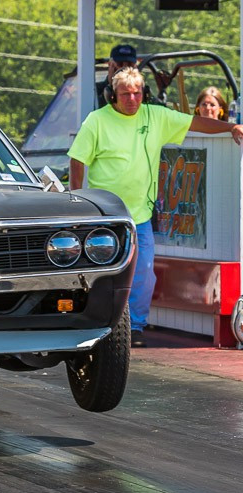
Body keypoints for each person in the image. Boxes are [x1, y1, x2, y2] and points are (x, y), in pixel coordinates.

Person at [68, 67, 243, 347]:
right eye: (125, 94)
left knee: (144, 274)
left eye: (137, 93)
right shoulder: (97, 121)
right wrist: (77, 202)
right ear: (112, 95)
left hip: (140, 215)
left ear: (145, 94)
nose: (132, 99)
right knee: (103, 274)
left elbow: (194, 123)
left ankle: (135, 328)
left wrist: (230, 127)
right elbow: (77, 159)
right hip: (106, 216)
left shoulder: (156, 117)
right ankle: (100, 325)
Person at [96, 44, 138, 108]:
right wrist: (111, 88)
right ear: (110, 64)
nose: (124, 69)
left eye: (129, 65)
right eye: (120, 64)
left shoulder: (142, 92)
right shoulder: (94, 91)